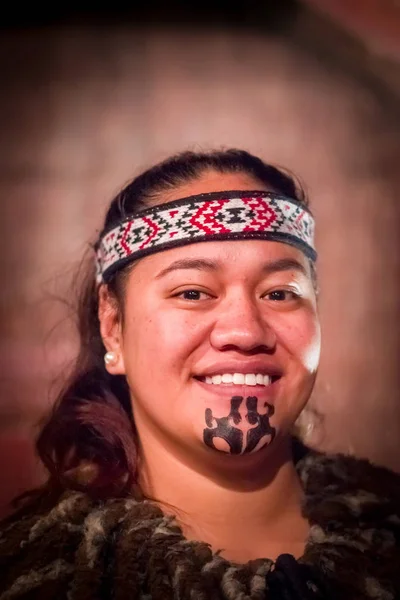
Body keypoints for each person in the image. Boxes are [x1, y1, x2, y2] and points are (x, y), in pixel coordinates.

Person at [0, 149, 399, 600]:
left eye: (280, 293)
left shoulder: (389, 528)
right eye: (192, 292)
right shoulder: (47, 580)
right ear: (112, 327)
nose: (245, 331)